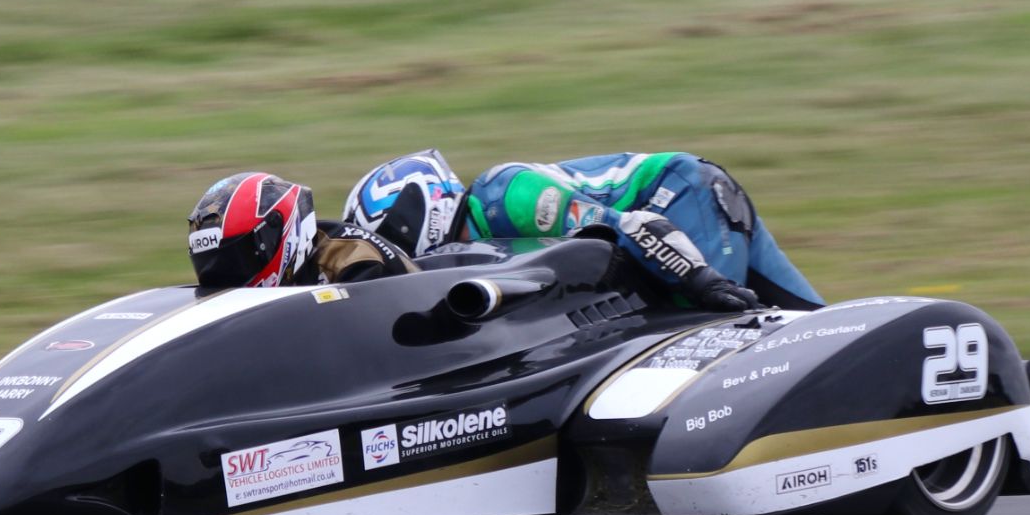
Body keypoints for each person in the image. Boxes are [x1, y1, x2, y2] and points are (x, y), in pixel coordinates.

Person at [345, 149, 823, 311]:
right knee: (810, 320)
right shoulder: (480, 240)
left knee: (713, 324)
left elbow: (638, 228)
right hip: (673, 216)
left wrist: (702, 279)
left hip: (682, 195)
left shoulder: (507, 197)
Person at [189, 171, 417, 288]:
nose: (226, 276)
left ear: (272, 233)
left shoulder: (356, 263)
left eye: (235, 262)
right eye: (213, 267)